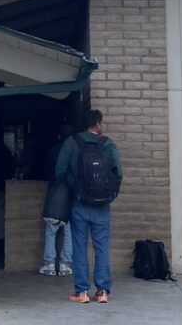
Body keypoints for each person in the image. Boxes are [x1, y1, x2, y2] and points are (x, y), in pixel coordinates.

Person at [55, 109, 122, 304]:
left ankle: (82, 292)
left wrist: (72, 186)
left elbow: (59, 170)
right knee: (101, 247)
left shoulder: (72, 143)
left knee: (79, 247)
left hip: (79, 204)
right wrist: (109, 195)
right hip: (102, 206)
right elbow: (118, 173)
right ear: (98, 124)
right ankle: (102, 292)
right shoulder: (108, 144)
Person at [40, 124, 75, 277]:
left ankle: (48, 264)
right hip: (71, 193)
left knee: (51, 229)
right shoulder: (75, 150)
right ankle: (65, 265)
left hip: (55, 192)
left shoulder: (52, 151)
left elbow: (46, 171)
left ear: (59, 136)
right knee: (69, 230)